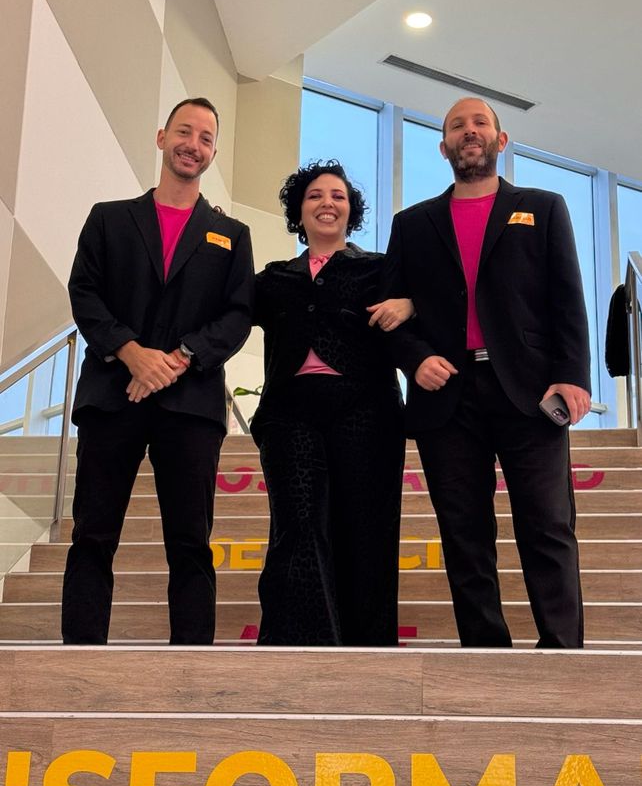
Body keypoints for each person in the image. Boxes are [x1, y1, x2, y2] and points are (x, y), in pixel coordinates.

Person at [382, 97, 591, 649]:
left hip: (530, 390)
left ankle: (563, 653)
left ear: (501, 141)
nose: (469, 131)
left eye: (480, 123)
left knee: (547, 525)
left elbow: (567, 299)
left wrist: (573, 375)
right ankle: (485, 653)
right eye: (457, 125)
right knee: (464, 534)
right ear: (443, 146)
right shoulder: (412, 224)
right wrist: (415, 358)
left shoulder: (544, 208)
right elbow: (388, 312)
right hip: (446, 396)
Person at [61, 97, 254, 645]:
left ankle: (191, 667)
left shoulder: (231, 234)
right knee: (92, 536)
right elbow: (84, 293)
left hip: (190, 405)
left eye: (206, 138)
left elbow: (238, 314)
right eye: (185, 132)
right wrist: (131, 352)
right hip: (112, 394)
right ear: (162, 137)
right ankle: (79, 663)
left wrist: (179, 358)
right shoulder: (109, 218)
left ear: (213, 153)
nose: (194, 144)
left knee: (190, 543)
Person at [251, 160, 412, 646]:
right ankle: (301, 648)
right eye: (315, 195)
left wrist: (411, 303)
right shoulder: (273, 278)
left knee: (365, 531)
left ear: (350, 210)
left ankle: (367, 652)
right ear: (299, 211)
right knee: (298, 524)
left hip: (366, 413)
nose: (327, 203)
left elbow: (438, 292)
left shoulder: (379, 268)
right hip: (290, 412)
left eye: (338, 196)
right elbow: (220, 311)